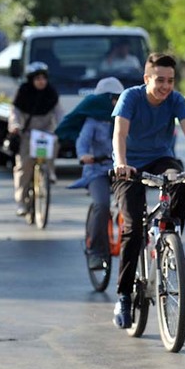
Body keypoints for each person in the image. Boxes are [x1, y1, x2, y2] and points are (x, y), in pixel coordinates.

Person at [111, 53, 185, 329]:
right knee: (132, 229)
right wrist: (120, 163)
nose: (166, 86)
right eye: (160, 80)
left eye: (170, 81)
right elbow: (119, 133)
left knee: (180, 181)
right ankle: (124, 297)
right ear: (146, 79)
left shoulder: (176, 100)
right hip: (129, 165)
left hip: (161, 159)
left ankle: (170, 237)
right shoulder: (130, 97)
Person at [56, 77, 125, 270]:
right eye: (112, 99)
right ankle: (96, 251)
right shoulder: (93, 120)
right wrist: (84, 155)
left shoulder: (127, 116)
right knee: (101, 205)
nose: (114, 104)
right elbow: (83, 141)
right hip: (98, 170)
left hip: (123, 170)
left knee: (137, 208)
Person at [8, 61, 63, 216]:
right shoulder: (22, 92)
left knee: (54, 143)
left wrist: (63, 126)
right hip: (27, 134)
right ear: (31, 80)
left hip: (45, 133)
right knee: (24, 167)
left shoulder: (51, 93)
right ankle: (21, 202)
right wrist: (15, 125)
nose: (41, 81)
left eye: (43, 78)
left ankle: (49, 172)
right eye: (37, 78)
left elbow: (59, 113)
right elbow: (15, 113)